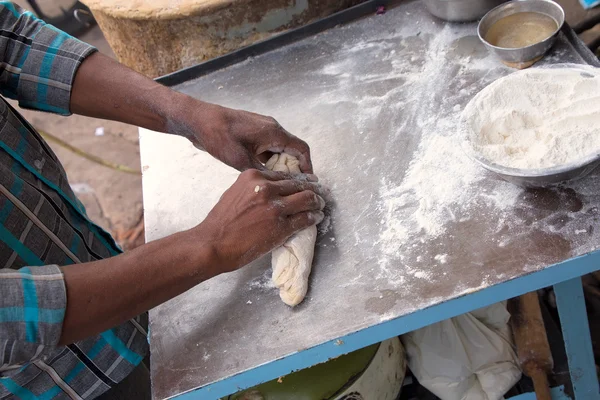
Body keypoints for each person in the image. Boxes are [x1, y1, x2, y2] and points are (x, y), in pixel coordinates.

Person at [0, 2, 326, 399]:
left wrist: (188, 115)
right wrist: (209, 245)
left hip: (91, 263)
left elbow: (10, 40)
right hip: (53, 383)